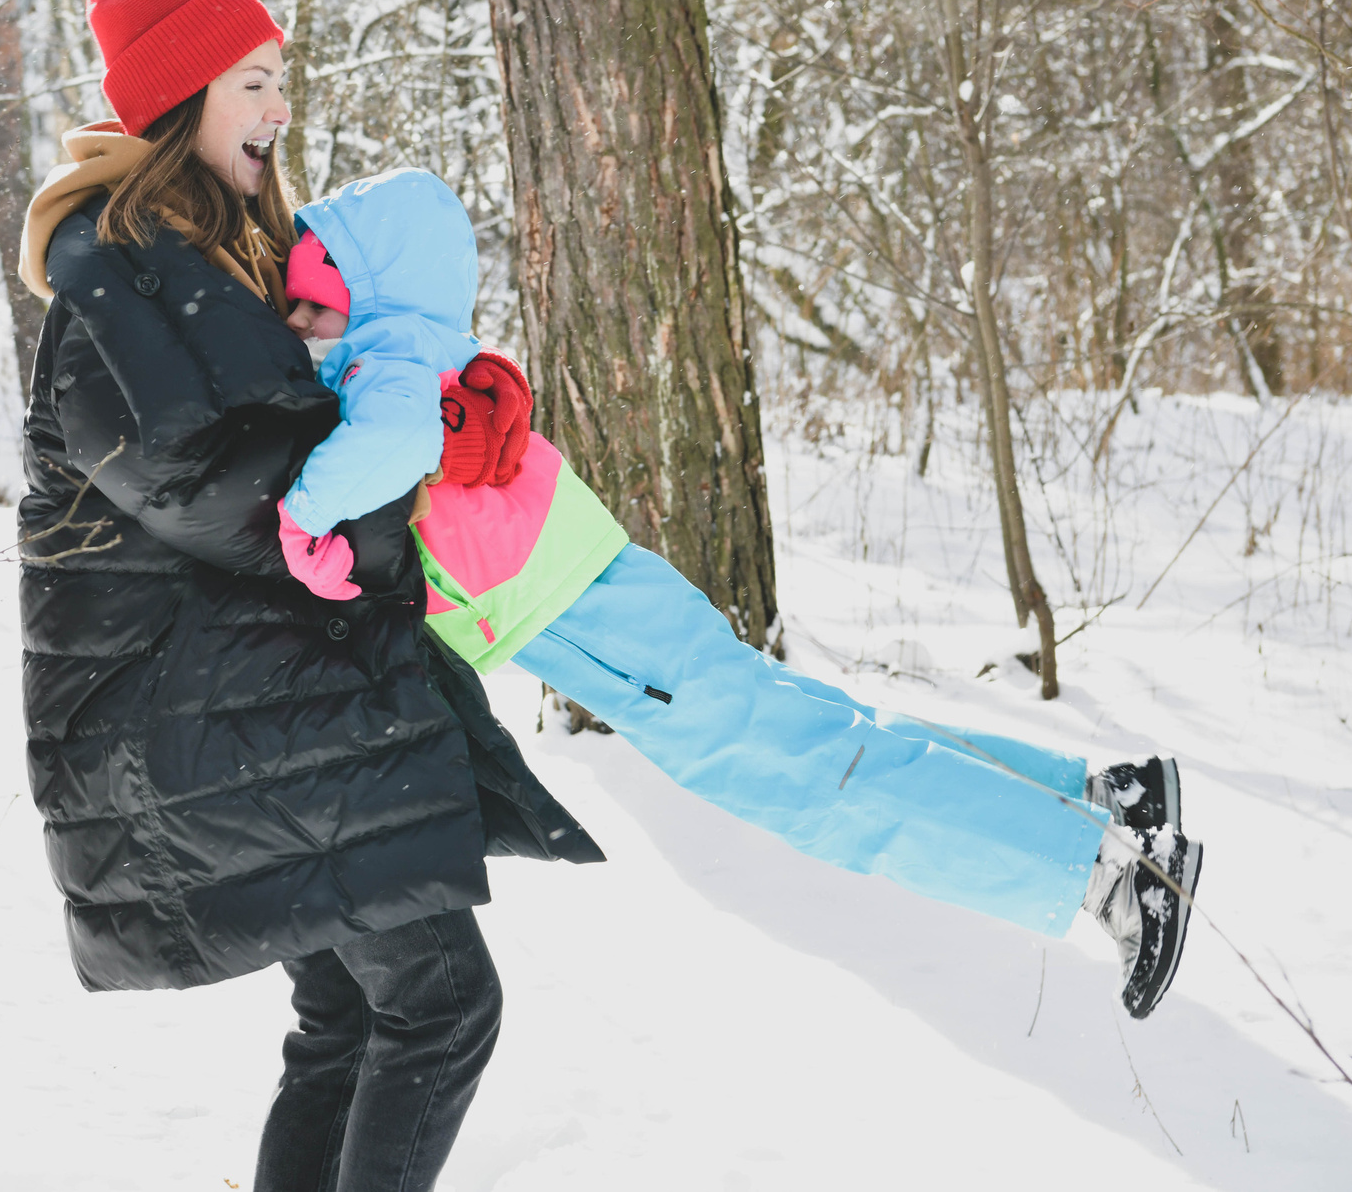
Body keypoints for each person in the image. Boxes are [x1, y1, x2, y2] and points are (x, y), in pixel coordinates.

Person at [270, 167, 1207, 1020]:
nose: (300, 327)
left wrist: (301, 515)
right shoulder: (414, 346)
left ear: (371, 290)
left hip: (592, 621)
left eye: (313, 305)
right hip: (597, 601)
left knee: (821, 783)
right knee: (834, 740)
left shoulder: (384, 361)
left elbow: (391, 448)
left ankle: (1106, 872)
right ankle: (1105, 797)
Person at [14, 0, 602, 1192]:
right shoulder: (119, 275)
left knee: (349, 1019)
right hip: (206, 715)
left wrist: (386, 392)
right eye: (254, 82)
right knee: (440, 1007)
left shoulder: (194, 260)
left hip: (254, 705)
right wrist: (392, 479)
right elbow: (212, 491)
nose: (281, 109)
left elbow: (264, 444)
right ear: (182, 101)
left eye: (282, 80)